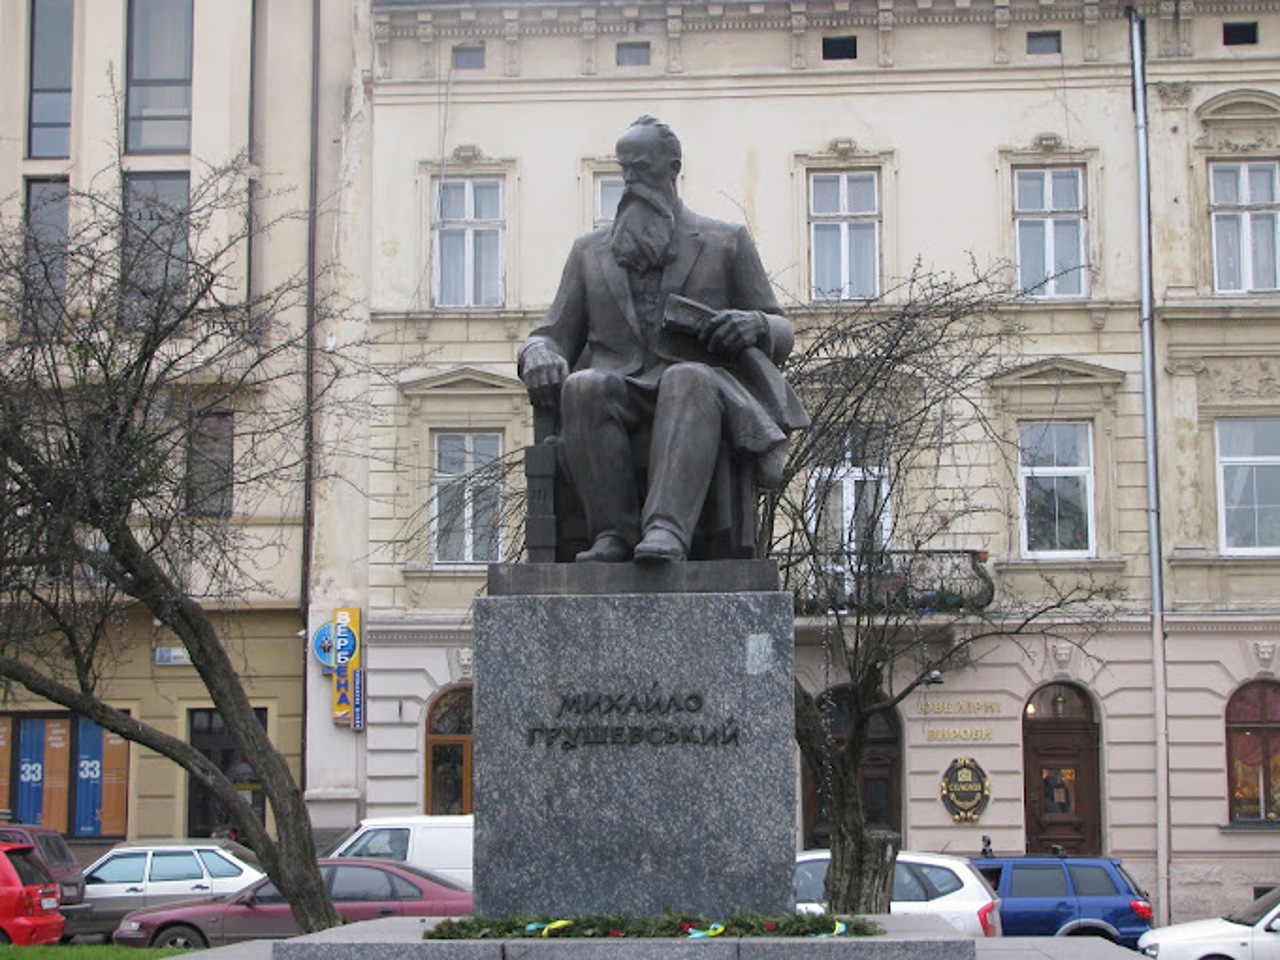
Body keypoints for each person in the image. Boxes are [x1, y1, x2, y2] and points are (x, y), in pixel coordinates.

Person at [519, 116, 808, 563]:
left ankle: (666, 532)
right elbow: (551, 334)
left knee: (686, 378)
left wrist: (754, 324)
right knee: (583, 385)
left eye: (642, 167)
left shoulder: (724, 241)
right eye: (625, 169)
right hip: (620, 386)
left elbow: (781, 329)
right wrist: (538, 352)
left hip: (698, 391)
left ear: (672, 168)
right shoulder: (589, 253)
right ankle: (613, 535)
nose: (631, 179)